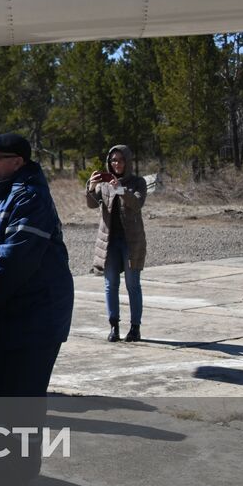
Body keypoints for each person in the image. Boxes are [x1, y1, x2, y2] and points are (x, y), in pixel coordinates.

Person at [0, 132, 74, 486]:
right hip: (13, 310)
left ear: (17, 162)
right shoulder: (1, 193)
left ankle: (18, 472)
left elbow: (13, 260)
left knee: (21, 395)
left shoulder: (30, 197)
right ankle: (0, 467)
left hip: (38, 314)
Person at [87, 144, 148, 343]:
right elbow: (91, 203)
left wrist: (120, 190)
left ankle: (135, 328)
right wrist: (91, 187)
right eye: (113, 160)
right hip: (109, 241)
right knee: (110, 284)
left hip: (131, 241)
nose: (117, 163)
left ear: (128, 162)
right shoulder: (104, 183)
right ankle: (114, 326)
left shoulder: (138, 182)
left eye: (121, 160)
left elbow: (137, 203)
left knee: (133, 285)